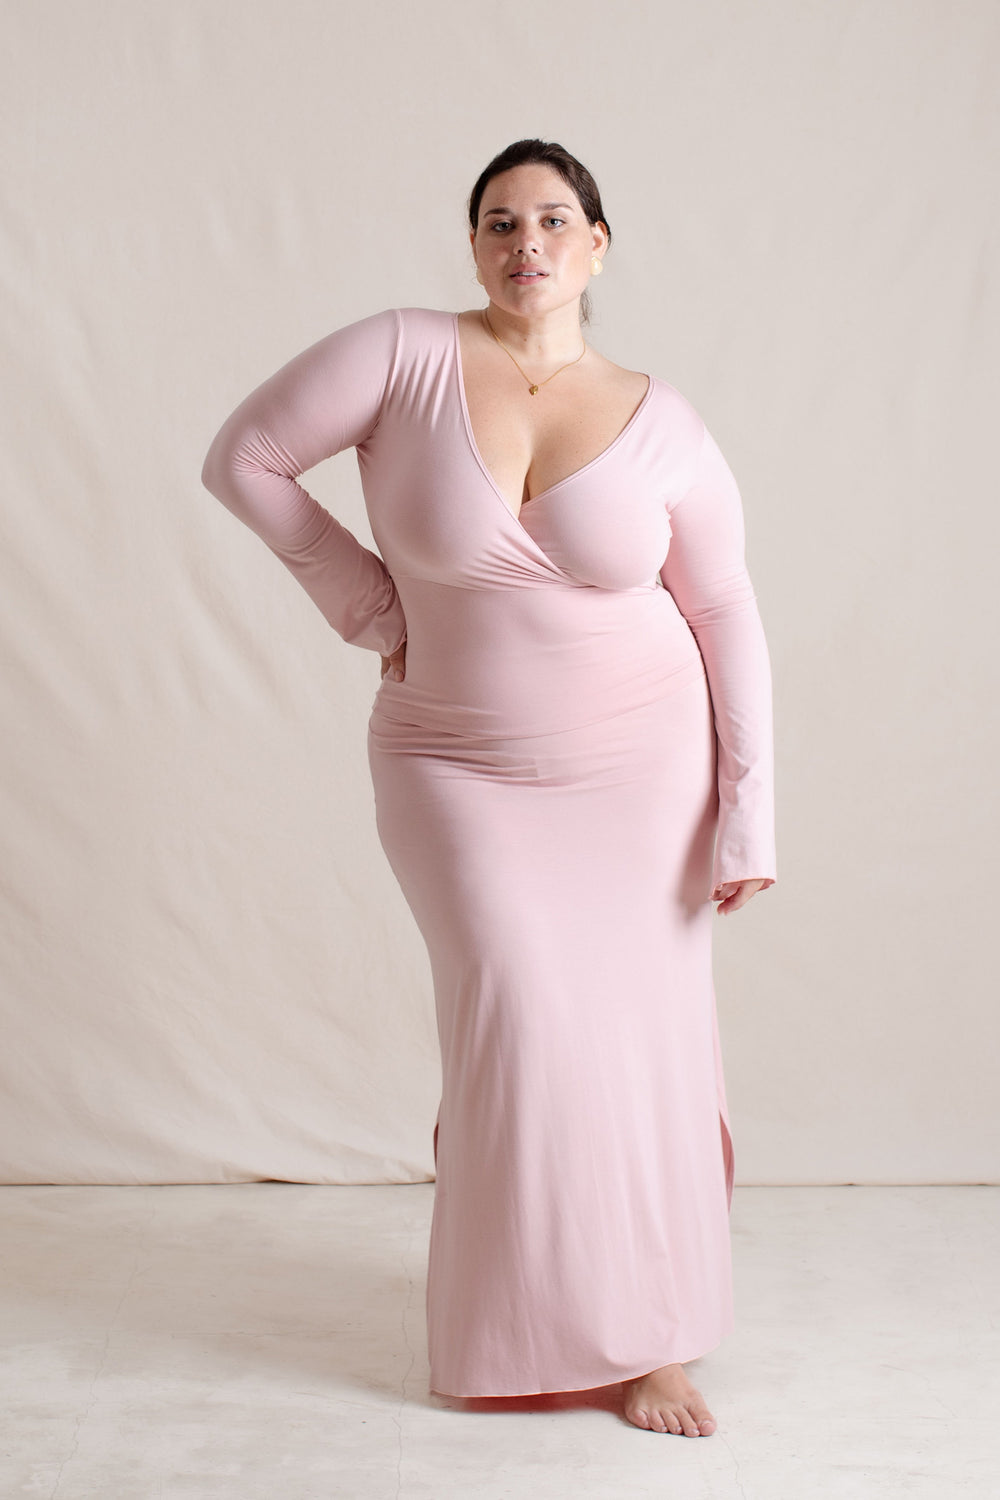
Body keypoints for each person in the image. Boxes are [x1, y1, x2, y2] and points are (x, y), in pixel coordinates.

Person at [200, 137, 776, 1438]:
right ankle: (516, 1322)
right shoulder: (401, 355)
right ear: (473, 248)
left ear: (598, 247)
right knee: (517, 1020)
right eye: (502, 222)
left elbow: (725, 610)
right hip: (453, 760)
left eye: (555, 220)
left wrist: (750, 808)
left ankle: (652, 1342)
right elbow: (245, 456)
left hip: (644, 773)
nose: (529, 243)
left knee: (639, 1048)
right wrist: (367, 604)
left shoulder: (664, 420)